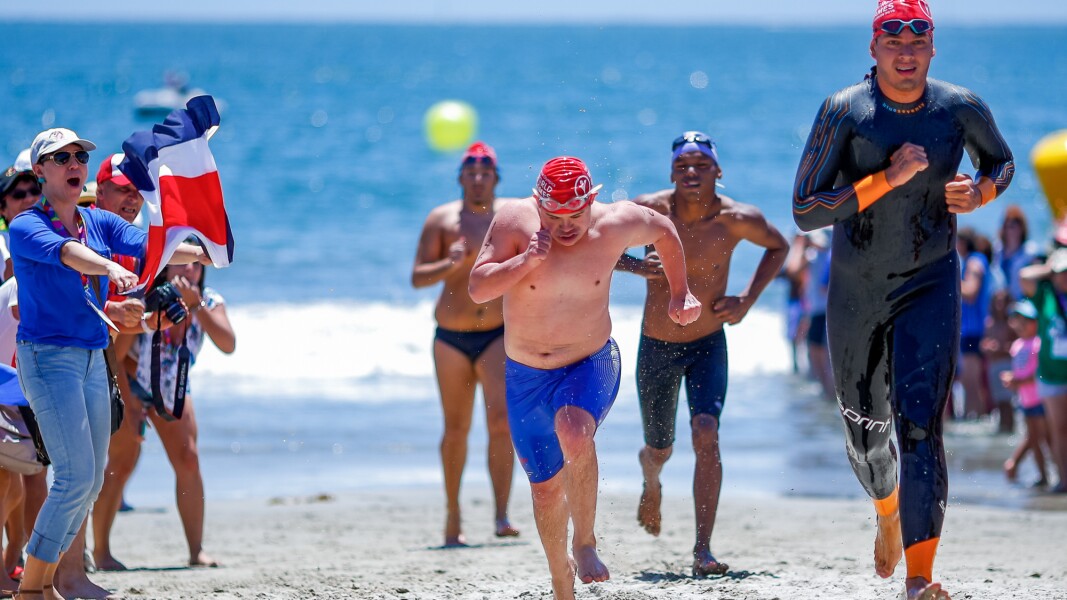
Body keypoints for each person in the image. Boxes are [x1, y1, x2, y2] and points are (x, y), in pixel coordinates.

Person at [791, 1, 1015, 598]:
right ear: (874, 49)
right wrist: (882, 180)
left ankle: (920, 579)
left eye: (919, 38)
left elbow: (1002, 161)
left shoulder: (959, 108)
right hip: (856, 294)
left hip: (930, 282)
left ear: (933, 48)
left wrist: (983, 192)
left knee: (921, 425)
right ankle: (887, 512)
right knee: (867, 433)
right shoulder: (845, 112)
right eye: (893, 39)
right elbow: (806, 209)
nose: (906, 49)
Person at [469, 157, 700, 600]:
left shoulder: (618, 222)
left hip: (589, 361)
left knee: (574, 430)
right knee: (544, 491)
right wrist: (526, 261)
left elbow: (665, 231)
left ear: (591, 201)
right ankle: (561, 577)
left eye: (575, 215)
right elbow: (479, 286)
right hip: (526, 377)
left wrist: (680, 291)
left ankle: (586, 541)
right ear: (539, 204)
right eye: (554, 217)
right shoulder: (516, 222)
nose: (566, 226)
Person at [9, 128, 212, 599]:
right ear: (40, 171)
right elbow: (67, 253)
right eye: (61, 157)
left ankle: (47, 584)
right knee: (75, 475)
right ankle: (34, 587)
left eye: (79, 155)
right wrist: (109, 267)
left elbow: (154, 246)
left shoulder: (98, 221)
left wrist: (205, 251)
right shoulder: (27, 224)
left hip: (92, 360)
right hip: (48, 359)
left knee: (93, 477)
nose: (74, 162)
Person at [616, 132, 787, 576]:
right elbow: (595, 241)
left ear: (718, 172)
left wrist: (746, 300)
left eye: (701, 165)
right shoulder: (649, 210)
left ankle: (702, 549)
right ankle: (650, 481)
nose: (691, 172)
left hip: (709, 342)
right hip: (656, 345)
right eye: (682, 166)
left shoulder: (736, 219)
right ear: (671, 173)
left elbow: (779, 246)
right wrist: (636, 266)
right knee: (661, 450)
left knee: (706, 432)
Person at [91, 153, 208, 571]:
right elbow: (107, 329)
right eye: (121, 188)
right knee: (115, 465)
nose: (131, 198)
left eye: (138, 191)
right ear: (99, 190)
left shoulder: (143, 240)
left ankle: (196, 551)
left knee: (187, 454)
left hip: (157, 366)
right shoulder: (87, 237)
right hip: (112, 370)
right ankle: (97, 553)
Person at [410, 142, 518, 547]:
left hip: (497, 333)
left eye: (485, 174)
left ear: (495, 178)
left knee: (501, 424)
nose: (477, 180)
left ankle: (502, 513)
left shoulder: (510, 217)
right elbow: (418, 277)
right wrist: (448, 264)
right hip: (451, 338)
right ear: (460, 179)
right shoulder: (441, 220)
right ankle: (453, 515)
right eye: (470, 174)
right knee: (456, 430)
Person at [1020, 248, 1067, 493]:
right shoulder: (1045, 294)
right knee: (1058, 429)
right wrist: (1051, 267)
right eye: (1061, 273)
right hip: (1051, 375)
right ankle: (1063, 478)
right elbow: (1024, 276)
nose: (1064, 278)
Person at [1000, 300, 1051, 486]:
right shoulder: (1017, 346)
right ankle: (1043, 476)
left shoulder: (1038, 344)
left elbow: (1038, 373)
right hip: (1026, 400)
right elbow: (1022, 372)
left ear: (1036, 322)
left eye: (1026, 320)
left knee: (1046, 439)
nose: (1021, 325)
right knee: (1035, 440)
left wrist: (1017, 380)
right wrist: (1013, 378)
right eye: (1017, 320)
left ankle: (1055, 475)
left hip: (1040, 399)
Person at [957, 227, 993, 419]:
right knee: (972, 383)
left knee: (971, 383)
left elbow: (971, 292)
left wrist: (948, 280)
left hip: (974, 330)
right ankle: (976, 420)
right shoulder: (975, 260)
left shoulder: (974, 261)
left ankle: (975, 422)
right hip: (974, 329)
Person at [0, 165, 43, 281]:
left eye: (35, 191)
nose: (30, 199)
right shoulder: (2, 243)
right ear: (2, 209)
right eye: (18, 195)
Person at [992, 205, 1037, 300]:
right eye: (1007, 226)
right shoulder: (997, 249)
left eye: (1014, 226)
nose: (1010, 230)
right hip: (1000, 302)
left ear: (1022, 228)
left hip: (1021, 301)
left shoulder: (1029, 252)